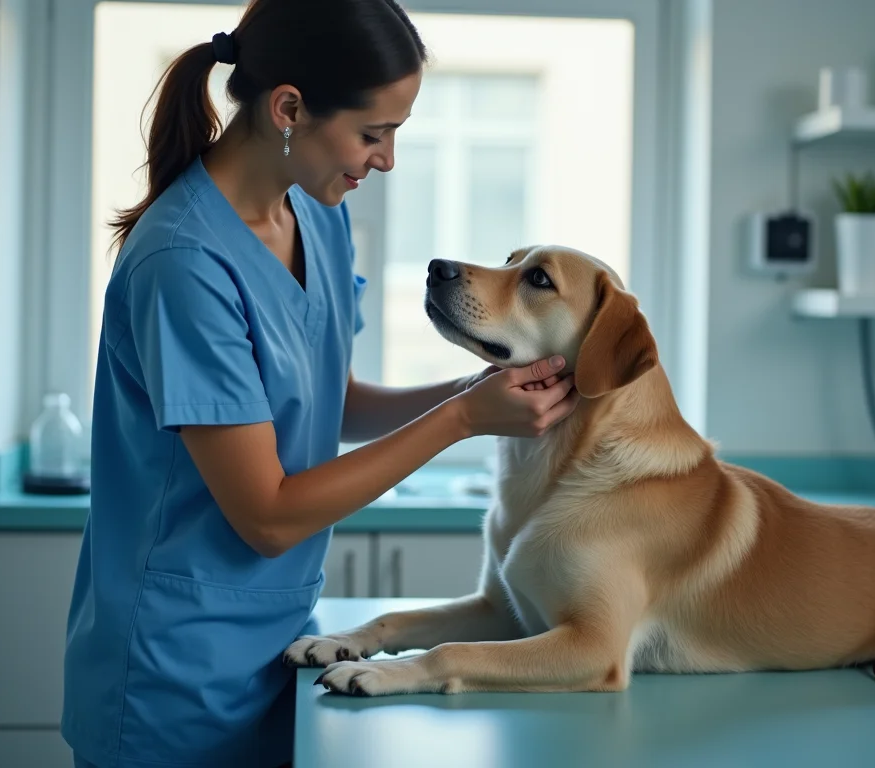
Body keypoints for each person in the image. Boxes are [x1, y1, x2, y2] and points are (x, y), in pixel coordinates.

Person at [60, 1, 579, 766]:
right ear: (290, 109)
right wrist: (464, 419)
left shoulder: (316, 214)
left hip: (282, 655)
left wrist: (478, 387)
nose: (387, 160)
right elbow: (266, 515)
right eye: (374, 134)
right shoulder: (185, 263)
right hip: (174, 682)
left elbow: (328, 402)